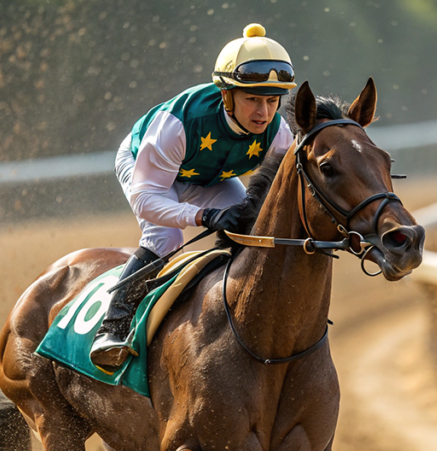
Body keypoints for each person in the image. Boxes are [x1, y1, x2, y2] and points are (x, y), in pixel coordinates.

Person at [90, 23, 296, 367]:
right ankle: (114, 325)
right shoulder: (180, 124)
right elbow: (146, 201)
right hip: (150, 169)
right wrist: (203, 217)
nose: (263, 113)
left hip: (210, 176)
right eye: (252, 100)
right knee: (165, 237)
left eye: (272, 101)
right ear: (226, 94)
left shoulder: (279, 134)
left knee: (252, 227)